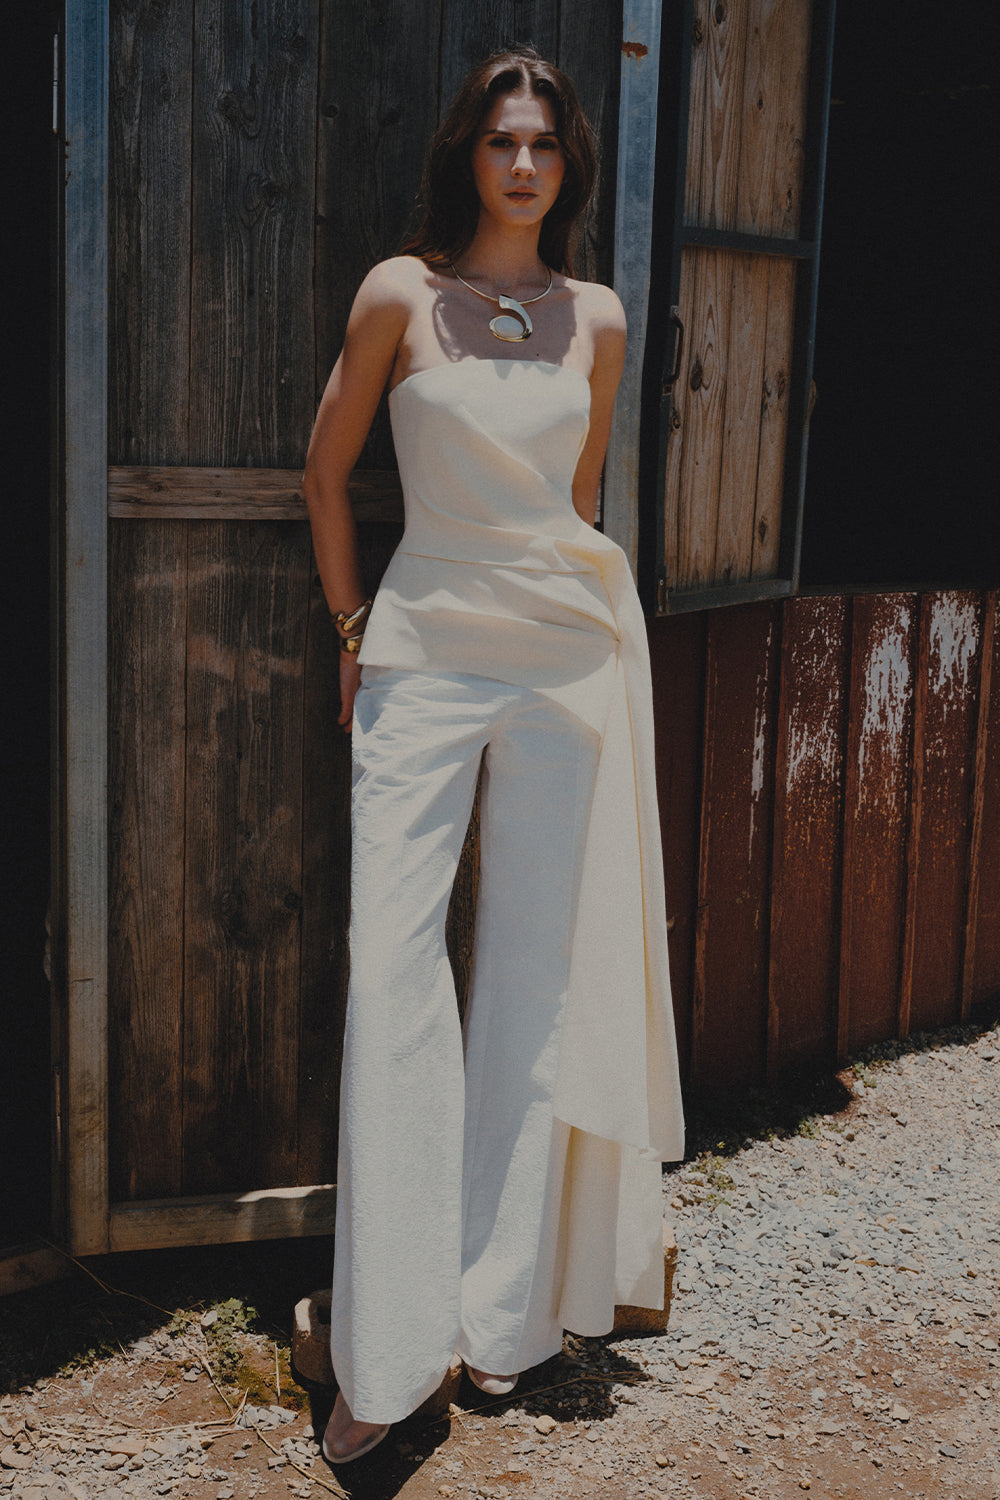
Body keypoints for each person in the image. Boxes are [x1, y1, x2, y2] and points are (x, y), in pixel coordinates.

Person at [302, 46, 685, 1465]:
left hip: (564, 661)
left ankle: (501, 1318)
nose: (523, 164)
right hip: (423, 648)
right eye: (501, 141)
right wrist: (353, 626)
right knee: (392, 970)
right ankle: (384, 1352)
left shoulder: (598, 317)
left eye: (545, 145)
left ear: (567, 164)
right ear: (468, 153)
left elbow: (576, 501)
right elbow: (325, 472)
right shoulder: (400, 295)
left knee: (534, 981)